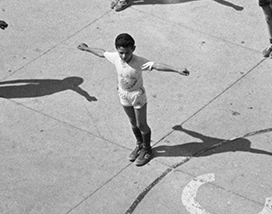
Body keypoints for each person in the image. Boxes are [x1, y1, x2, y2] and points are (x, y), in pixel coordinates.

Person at [77, 33, 189, 167]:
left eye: (127, 52)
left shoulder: (139, 62)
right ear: (117, 49)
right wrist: (86, 48)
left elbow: (156, 65)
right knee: (132, 122)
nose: (124, 56)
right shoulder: (116, 58)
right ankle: (139, 145)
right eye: (121, 53)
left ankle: (147, 150)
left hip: (137, 96)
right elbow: (102, 53)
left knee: (141, 124)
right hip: (123, 94)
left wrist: (176, 69)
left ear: (133, 49)